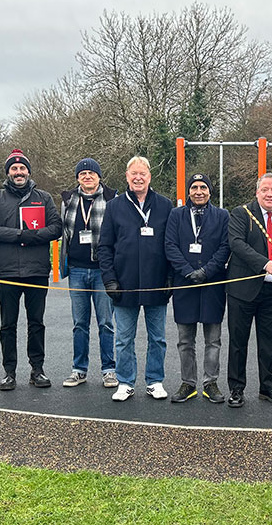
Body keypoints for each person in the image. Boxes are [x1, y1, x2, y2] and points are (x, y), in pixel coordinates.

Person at [0, 149, 62, 391]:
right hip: (7, 271)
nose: (19, 172)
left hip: (37, 270)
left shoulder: (44, 197)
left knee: (36, 322)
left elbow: (56, 228)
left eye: (22, 168)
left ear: (29, 171)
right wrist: (20, 235)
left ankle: (37, 369)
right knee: (8, 324)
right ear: (8, 172)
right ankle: (9, 372)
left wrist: (33, 235)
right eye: (14, 168)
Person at [99, 156, 173, 402]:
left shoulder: (165, 205)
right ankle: (125, 382)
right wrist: (109, 279)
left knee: (158, 338)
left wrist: (170, 278)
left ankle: (155, 380)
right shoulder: (115, 206)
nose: (138, 177)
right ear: (127, 176)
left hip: (156, 282)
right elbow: (105, 247)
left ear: (150, 176)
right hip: (125, 284)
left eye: (142, 173)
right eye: (134, 173)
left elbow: (172, 245)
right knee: (123, 339)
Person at [225, 173, 272, 408]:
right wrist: (265, 264)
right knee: (238, 342)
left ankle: (268, 387)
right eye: (265, 189)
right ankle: (236, 389)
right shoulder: (241, 213)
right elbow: (236, 243)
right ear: (257, 192)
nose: (269, 194)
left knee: (268, 342)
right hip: (243, 290)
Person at [164, 173, 231, 403]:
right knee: (185, 340)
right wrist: (186, 270)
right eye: (194, 187)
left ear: (210, 191)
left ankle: (210, 382)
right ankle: (188, 383)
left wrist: (207, 271)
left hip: (212, 284)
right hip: (185, 284)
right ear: (188, 191)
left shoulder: (222, 216)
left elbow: (225, 247)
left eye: (203, 187)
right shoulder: (176, 215)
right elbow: (170, 245)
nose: (199, 191)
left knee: (213, 339)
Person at [59, 158, 119, 389]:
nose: (87, 177)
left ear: (99, 177)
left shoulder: (112, 199)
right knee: (79, 324)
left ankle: (109, 370)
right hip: (76, 269)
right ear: (77, 178)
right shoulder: (68, 200)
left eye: (91, 173)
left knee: (106, 322)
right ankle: (79, 369)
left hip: (102, 271)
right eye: (82, 173)